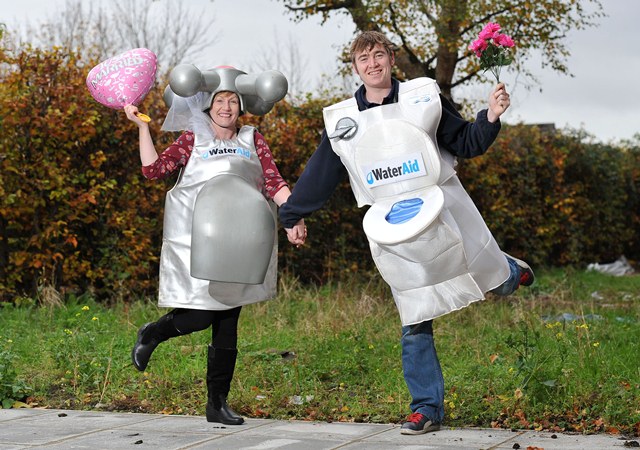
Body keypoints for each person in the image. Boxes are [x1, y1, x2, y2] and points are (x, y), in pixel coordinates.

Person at [280, 31, 534, 435]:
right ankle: (426, 408)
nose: (372, 64)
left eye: (378, 55)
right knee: (414, 314)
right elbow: (320, 174)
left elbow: (464, 141)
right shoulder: (343, 120)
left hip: (445, 207)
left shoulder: (423, 97)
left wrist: (490, 115)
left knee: (491, 277)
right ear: (355, 67)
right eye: (364, 59)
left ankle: (509, 271)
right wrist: (292, 214)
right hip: (393, 226)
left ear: (391, 59)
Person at [124, 65, 306, 426]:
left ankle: (217, 404)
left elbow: (274, 182)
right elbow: (154, 171)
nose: (226, 107)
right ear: (208, 105)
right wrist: (144, 128)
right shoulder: (193, 139)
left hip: (241, 244)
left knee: (227, 322)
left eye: (233, 100)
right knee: (201, 315)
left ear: (241, 106)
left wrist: (293, 217)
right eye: (220, 100)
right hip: (197, 245)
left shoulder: (253, 138)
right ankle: (155, 332)